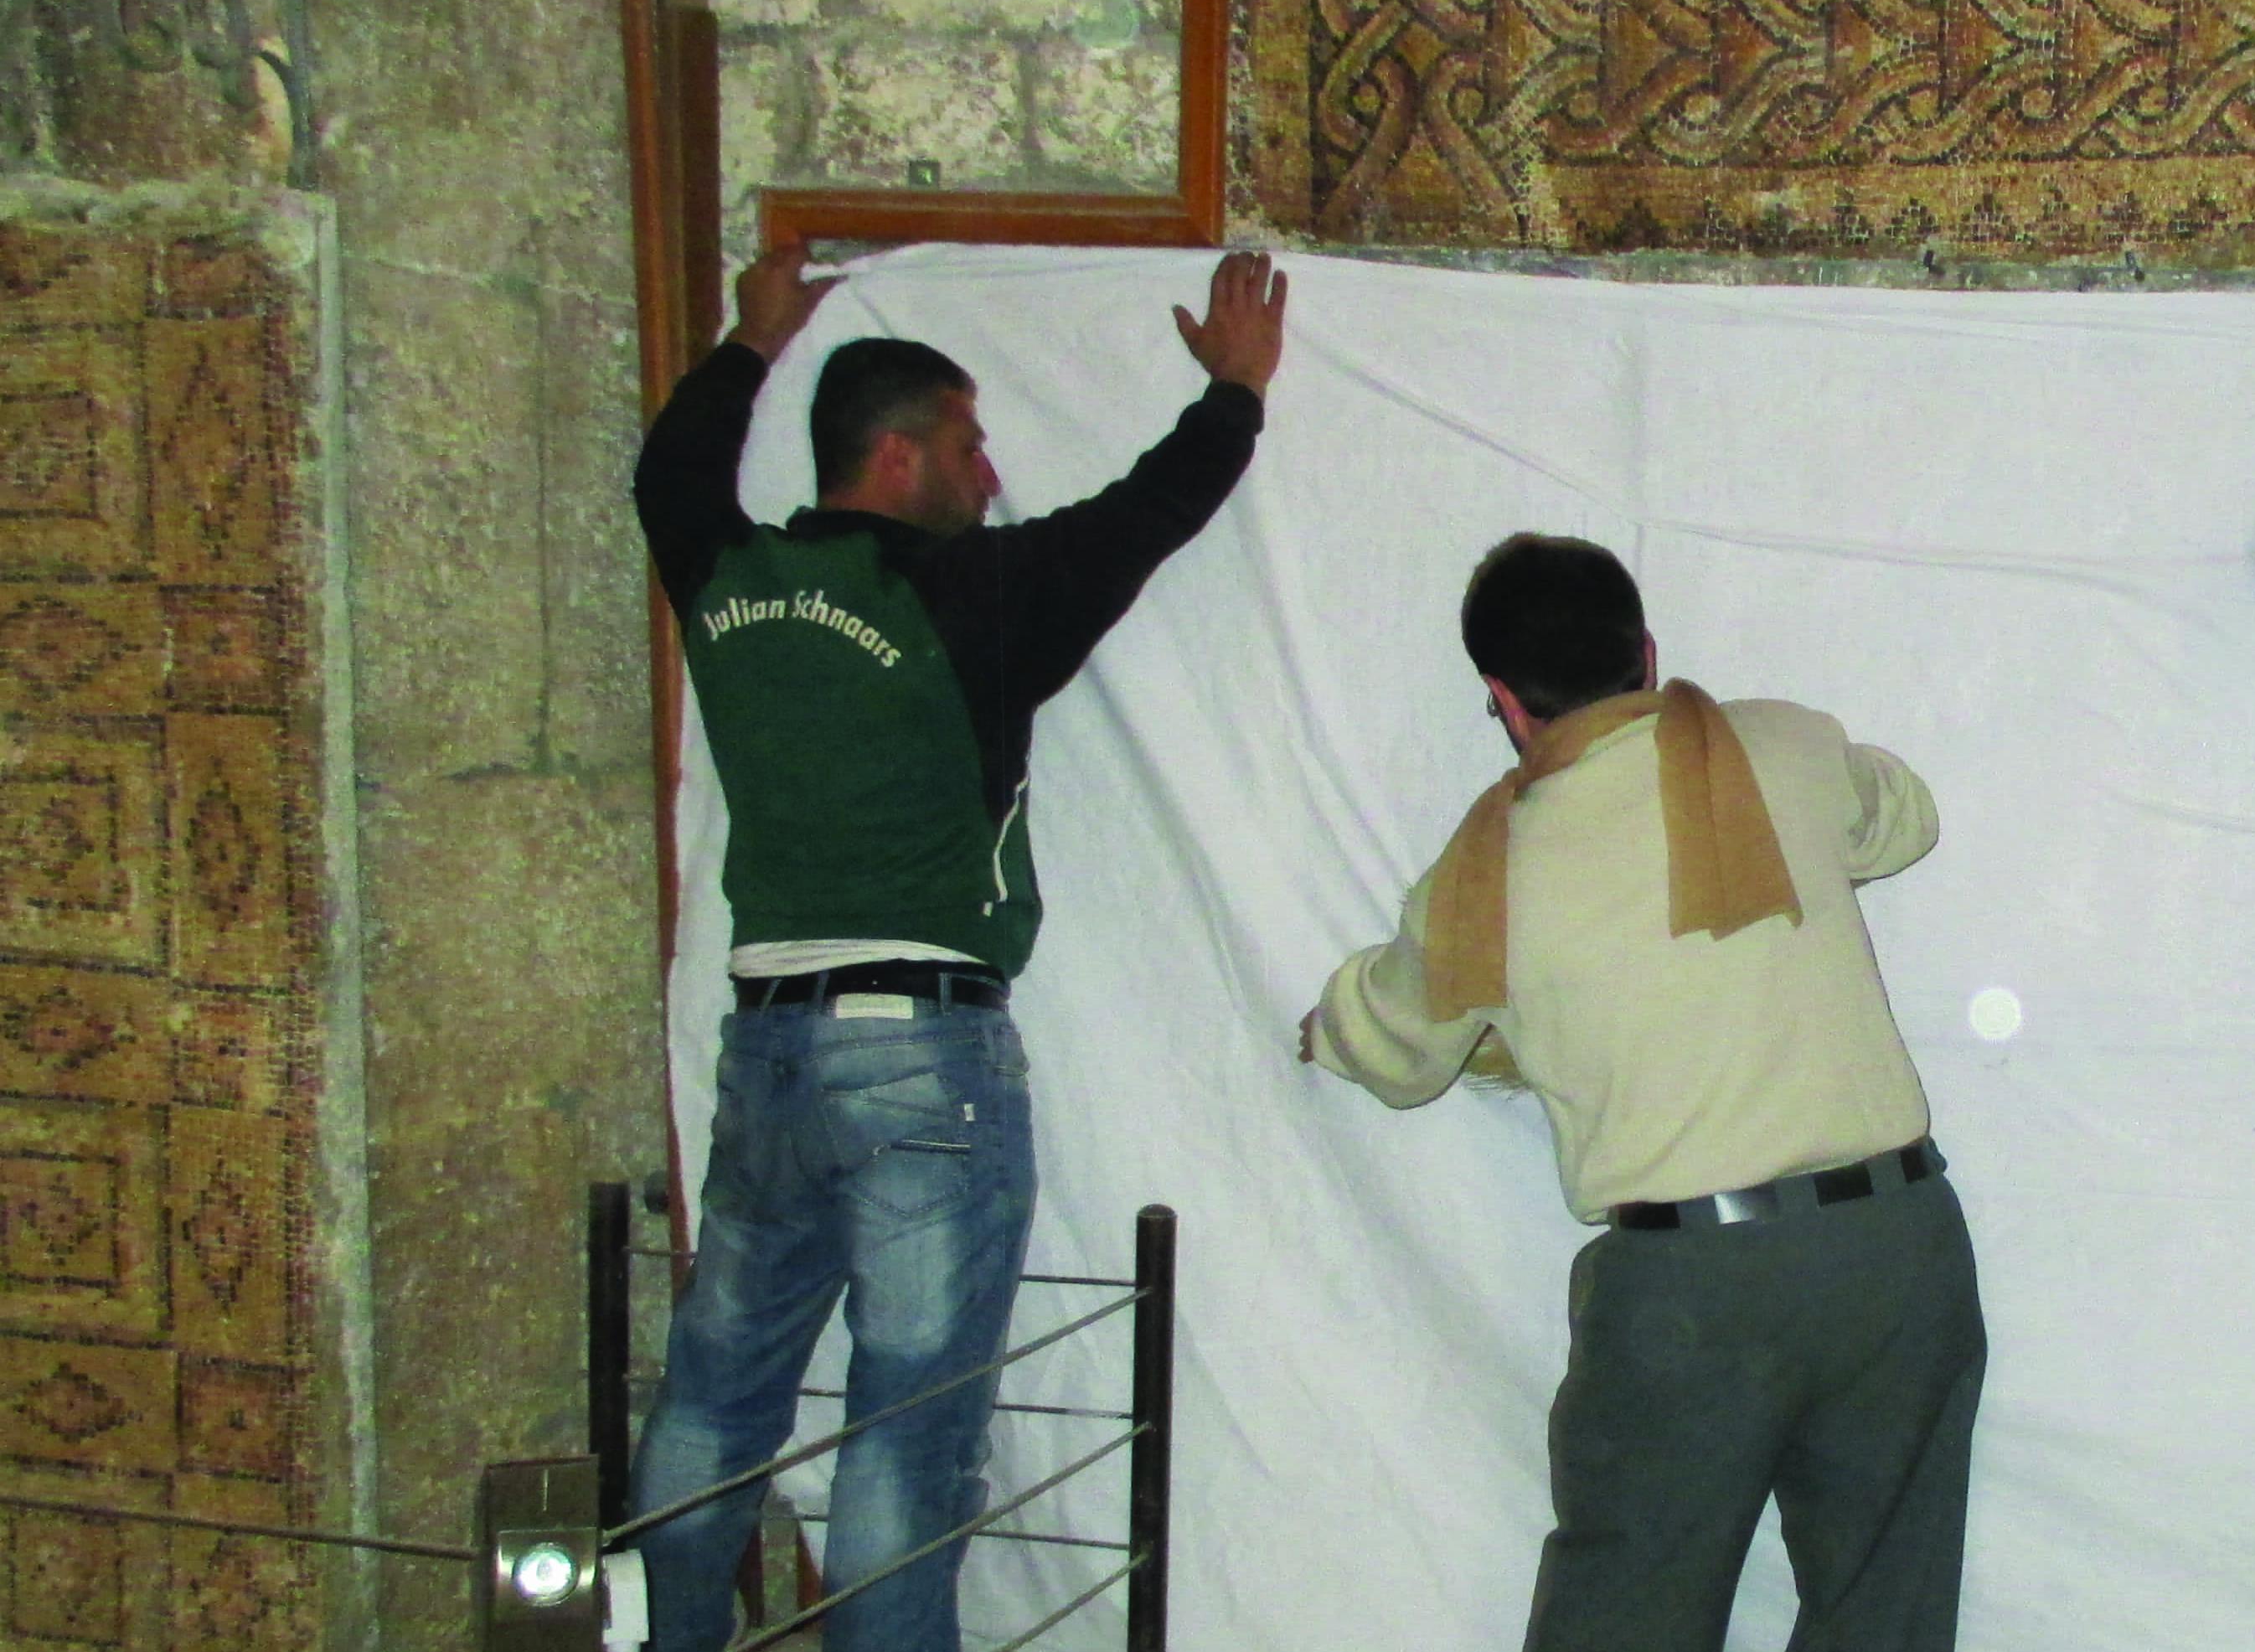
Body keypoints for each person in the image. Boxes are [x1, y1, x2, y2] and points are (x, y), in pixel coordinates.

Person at [624, 245, 1287, 1652]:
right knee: (906, 1434)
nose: (989, 473)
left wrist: (747, 344)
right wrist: (1234, 391)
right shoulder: (971, 599)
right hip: (921, 1053)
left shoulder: (727, 580)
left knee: (711, 1400)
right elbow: (1145, 515)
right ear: (903, 452)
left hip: (770, 1055)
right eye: (971, 443)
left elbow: (666, 479)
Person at [1303, 534, 1979, 1652]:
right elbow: (1901, 817)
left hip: (1689, 1295)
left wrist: (1317, 1029)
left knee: (1624, 1623)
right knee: (1884, 1619)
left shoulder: (1485, 877)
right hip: (1896, 1251)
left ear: (1502, 700)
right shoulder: (1783, 745)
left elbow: (1392, 1045)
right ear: (1647, 651)